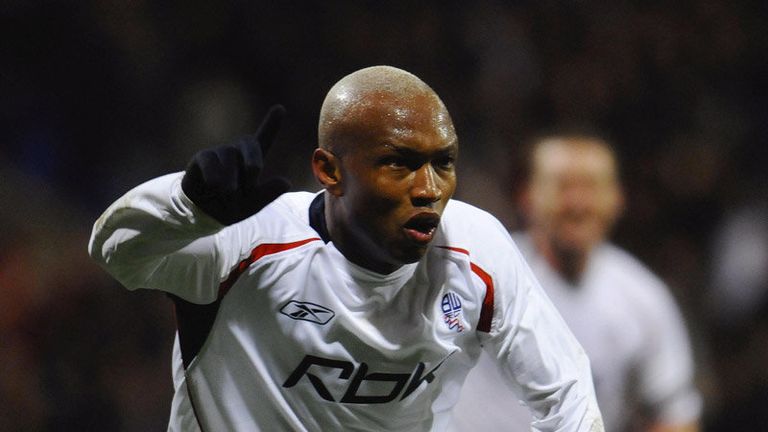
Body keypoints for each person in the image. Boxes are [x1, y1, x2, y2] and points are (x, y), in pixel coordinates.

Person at [88, 66, 603, 431]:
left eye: (443, 163)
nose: (428, 188)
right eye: (399, 163)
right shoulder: (247, 241)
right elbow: (116, 254)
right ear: (329, 170)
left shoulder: (476, 251)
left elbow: (567, 392)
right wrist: (186, 206)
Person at [451, 133, 702, 431]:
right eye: (563, 186)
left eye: (592, 187)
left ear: (617, 198)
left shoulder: (642, 297)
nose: (578, 204)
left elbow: (674, 412)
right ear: (527, 195)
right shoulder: (479, 273)